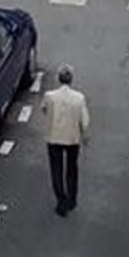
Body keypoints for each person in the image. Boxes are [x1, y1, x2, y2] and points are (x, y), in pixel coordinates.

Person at [41, 64, 90, 217]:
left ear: (58, 78)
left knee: (56, 169)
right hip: (72, 137)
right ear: (71, 79)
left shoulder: (50, 96)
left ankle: (61, 200)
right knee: (71, 169)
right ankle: (72, 199)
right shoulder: (79, 98)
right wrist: (84, 136)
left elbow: (44, 109)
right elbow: (85, 121)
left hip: (54, 137)